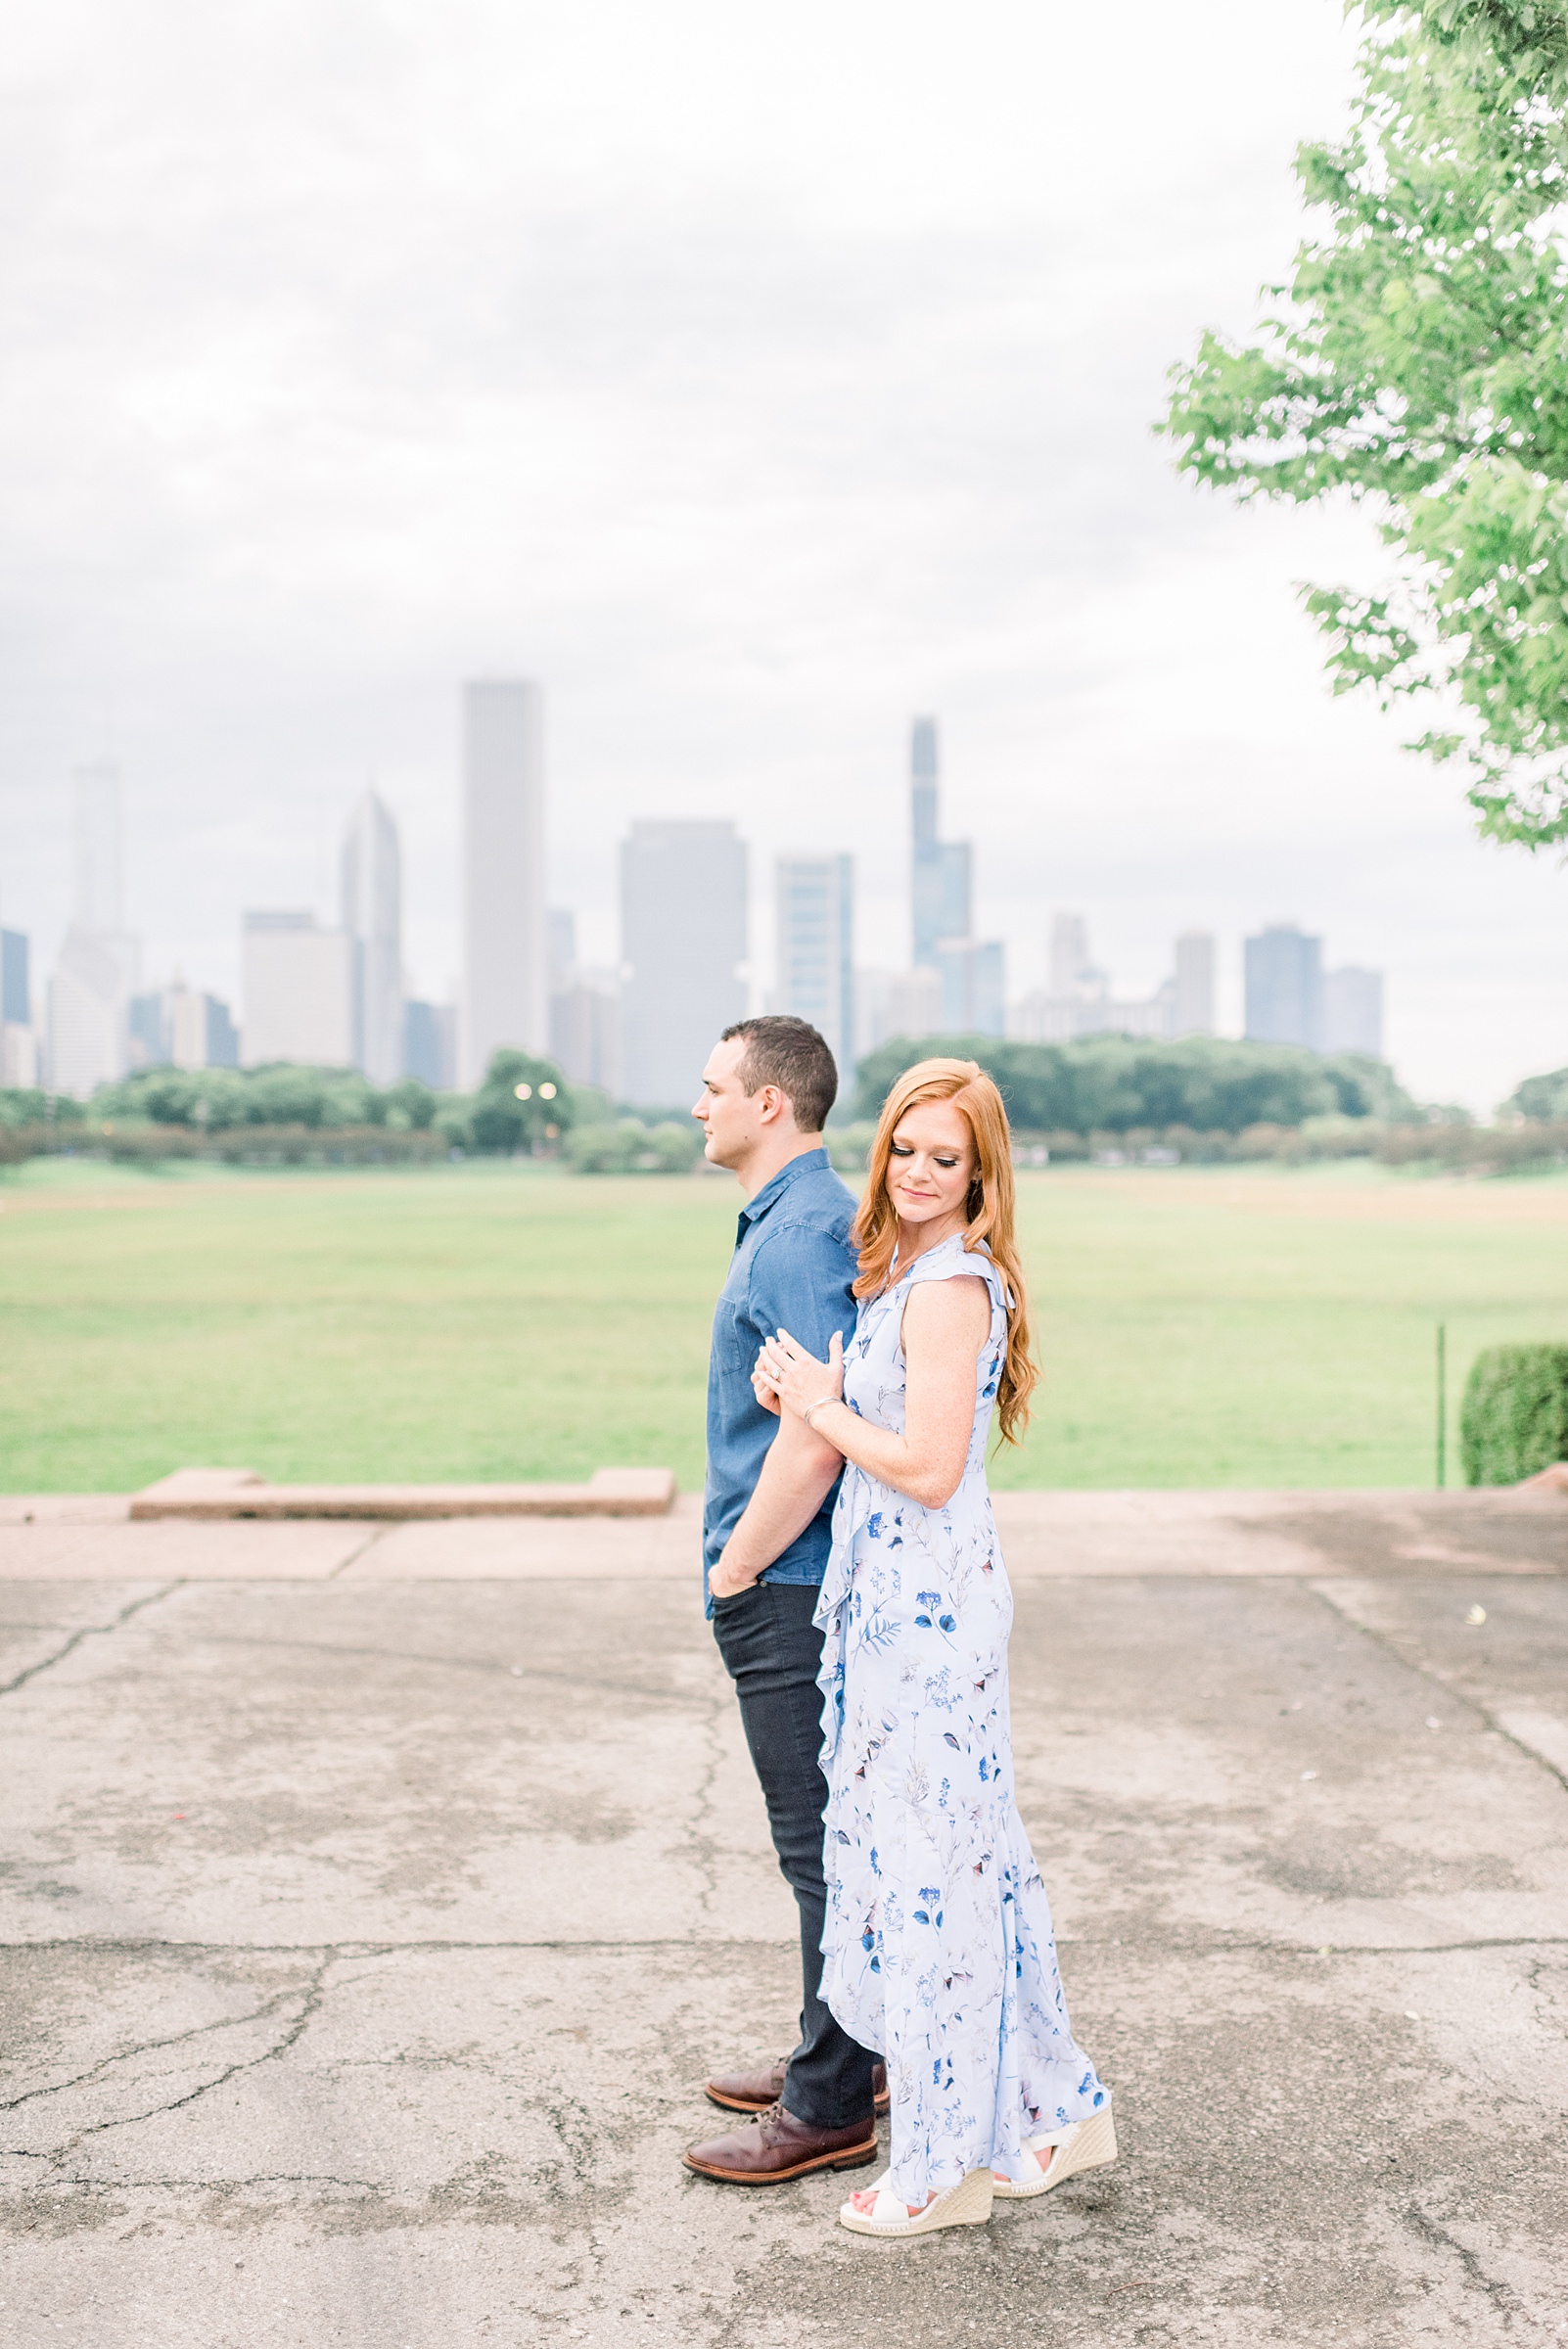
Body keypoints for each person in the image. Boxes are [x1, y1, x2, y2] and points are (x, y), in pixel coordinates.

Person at [755, 1057, 1115, 2239]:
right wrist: (824, 1399)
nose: (916, 1173)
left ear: (981, 1173)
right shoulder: (905, 1269)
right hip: (898, 1607)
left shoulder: (950, 1286)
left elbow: (929, 1466)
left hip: (932, 1621)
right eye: (904, 1150)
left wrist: (817, 1403)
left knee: (934, 1885)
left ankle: (945, 2164)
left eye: (943, 1158)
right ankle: (1055, 2111)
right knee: (967, 1864)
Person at [681, 1017, 885, 2190]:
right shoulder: (790, 1223)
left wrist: (734, 1569)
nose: (699, 1107)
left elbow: (816, 1433)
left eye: (714, 1090)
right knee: (826, 1846)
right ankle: (843, 2054)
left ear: (771, 1104)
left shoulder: (803, 1234)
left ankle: (830, 2106)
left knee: (820, 1853)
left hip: (789, 1586)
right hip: (786, 1580)